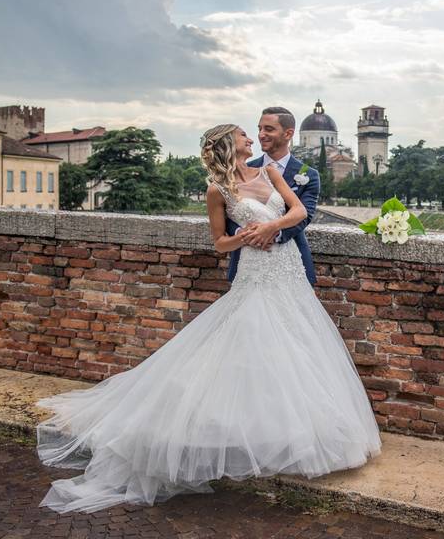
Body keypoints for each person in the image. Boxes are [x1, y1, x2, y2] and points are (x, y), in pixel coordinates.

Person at [35, 120, 382, 514]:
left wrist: (270, 225)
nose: (251, 138)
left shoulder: (269, 171)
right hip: (254, 270)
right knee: (253, 345)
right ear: (227, 145)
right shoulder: (217, 190)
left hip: (288, 269)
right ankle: (250, 435)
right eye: (243, 135)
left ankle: (296, 432)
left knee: (299, 345)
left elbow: (299, 210)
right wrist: (244, 238)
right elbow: (219, 243)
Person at [227, 107, 320, 285]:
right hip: (248, 262)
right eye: (260, 129)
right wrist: (244, 234)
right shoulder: (243, 169)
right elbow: (230, 213)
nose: (261, 135)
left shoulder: (309, 175)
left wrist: (271, 232)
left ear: (288, 133)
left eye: (268, 129)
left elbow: (304, 216)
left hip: (290, 262)